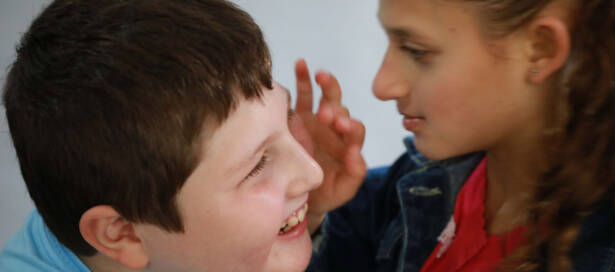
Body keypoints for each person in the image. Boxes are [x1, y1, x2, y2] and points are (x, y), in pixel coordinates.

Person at [300, 0, 615, 271]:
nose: (382, 85)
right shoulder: (405, 189)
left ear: (541, 48)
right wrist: (308, 206)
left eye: (416, 51)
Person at [0, 0, 364, 271]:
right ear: (122, 233)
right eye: (257, 165)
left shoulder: (132, 202)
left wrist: (305, 214)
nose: (312, 172)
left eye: (286, 118)